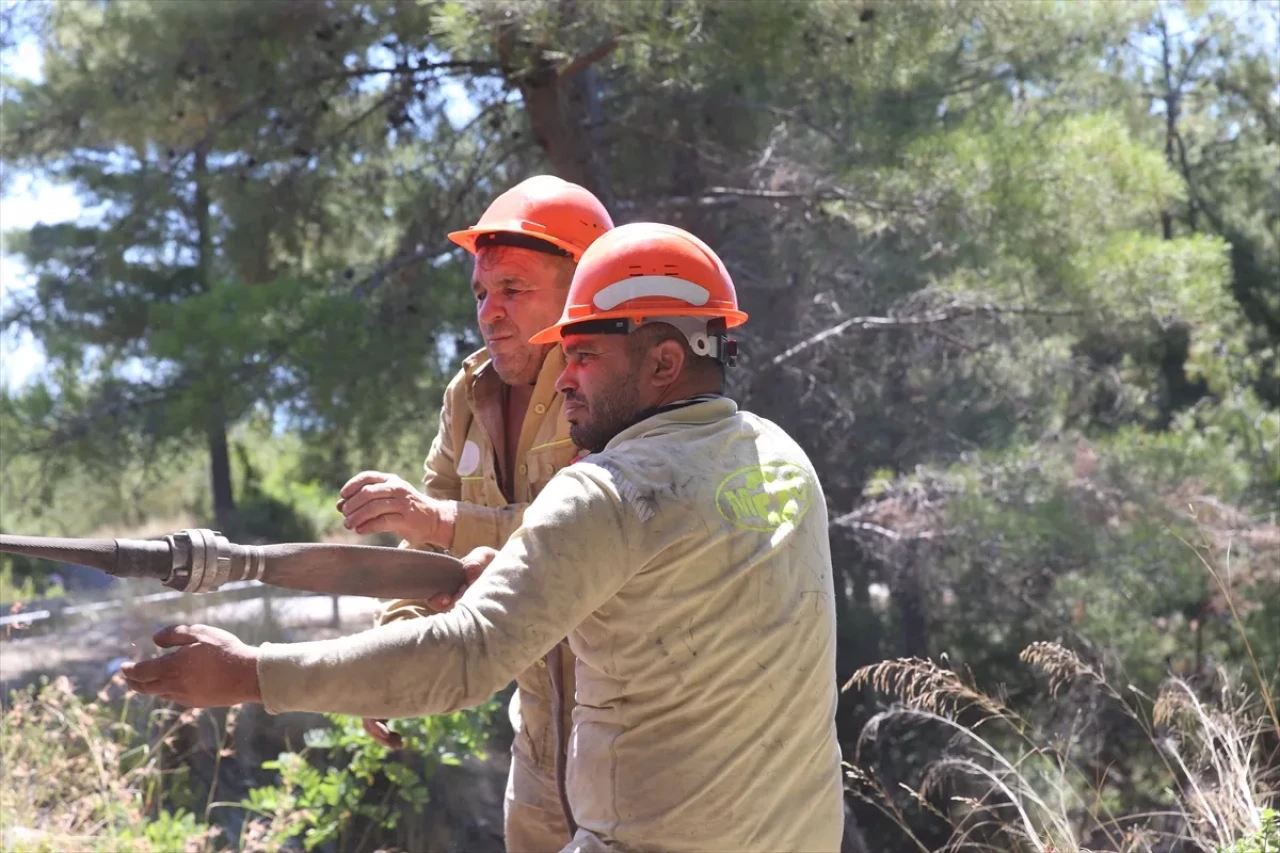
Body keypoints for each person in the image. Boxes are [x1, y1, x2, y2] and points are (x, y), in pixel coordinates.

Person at [121, 222, 846, 853]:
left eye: (585, 355)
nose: (564, 379)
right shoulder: (784, 461)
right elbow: (671, 585)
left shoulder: (607, 490)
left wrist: (250, 672)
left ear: (662, 361)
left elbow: (463, 656)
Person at [334, 174, 613, 852]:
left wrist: (439, 520)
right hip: (537, 739)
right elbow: (422, 553)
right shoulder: (468, 393)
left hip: (625, 737)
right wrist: (389, 657)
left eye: (515, 290)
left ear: (582, 291)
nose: (490, 311)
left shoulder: (615, 394)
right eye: (482, 292)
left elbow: (581, 538)